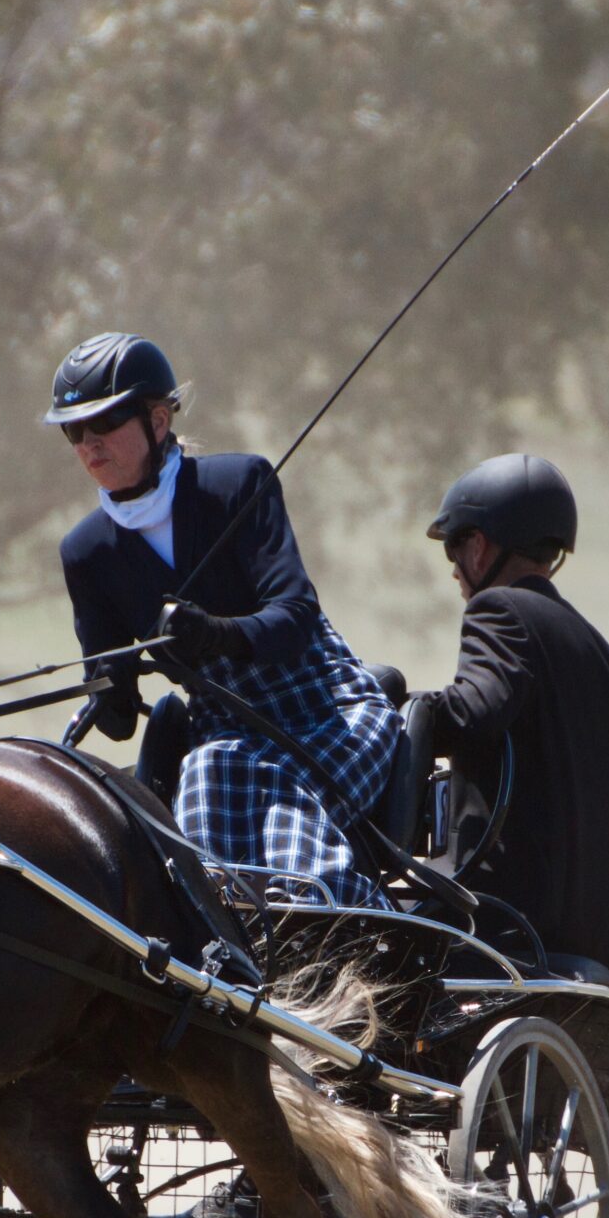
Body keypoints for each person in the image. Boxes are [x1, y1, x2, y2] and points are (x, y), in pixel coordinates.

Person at [49, 332, 401, 908]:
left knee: (273, 788)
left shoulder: (238, 485)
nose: (88, 445)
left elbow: (295, 619)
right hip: (225, 737)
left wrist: (217, 633)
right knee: (207, 776)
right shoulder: (86, 553)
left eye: (104, 423)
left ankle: (347, 928)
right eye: (73, 431)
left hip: (329, 712)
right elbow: (116, 719)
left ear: (158, 421)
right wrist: (107, 691)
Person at [408, 453, 609, 989]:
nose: (453, 568)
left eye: (455, 546)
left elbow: (475, 712)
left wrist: (400, 705)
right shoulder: (603, 657)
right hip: (597, 932)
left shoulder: (500, 608)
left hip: (509, 920)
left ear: (481, 544)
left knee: (360, 933)